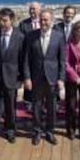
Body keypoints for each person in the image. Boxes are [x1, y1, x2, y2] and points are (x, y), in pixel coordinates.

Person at [24, 9, 65, 146]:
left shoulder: (59, 36)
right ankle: (36, 132)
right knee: (36, 106)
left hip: (52, 78)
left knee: (52, 107)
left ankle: (50, 132)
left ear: (52, 21)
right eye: (41, 19)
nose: (43, 22)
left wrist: (61, 78)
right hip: (36, 78)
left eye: (46, 20)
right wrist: (27, 78)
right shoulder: (31, 36)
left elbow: (62, 61)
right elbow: (26, 60)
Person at [0, 8, 24, 145]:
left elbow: (22, 59)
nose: (2, 23)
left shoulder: (20, 36)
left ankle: (10, 131)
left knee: (10, 107)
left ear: (12, 20)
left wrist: (21, 79)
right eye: (0, 20)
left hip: (12, 77)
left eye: (5, 20)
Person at [19, 2, 41, 111]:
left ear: (39, 10)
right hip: (28, 55)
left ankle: (40, 102)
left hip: (41, 56)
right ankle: (28, 102)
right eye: (31, 9)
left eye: (34, 9)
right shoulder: (23, 24)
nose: (32, 11)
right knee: (28, 79)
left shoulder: (43, 22)